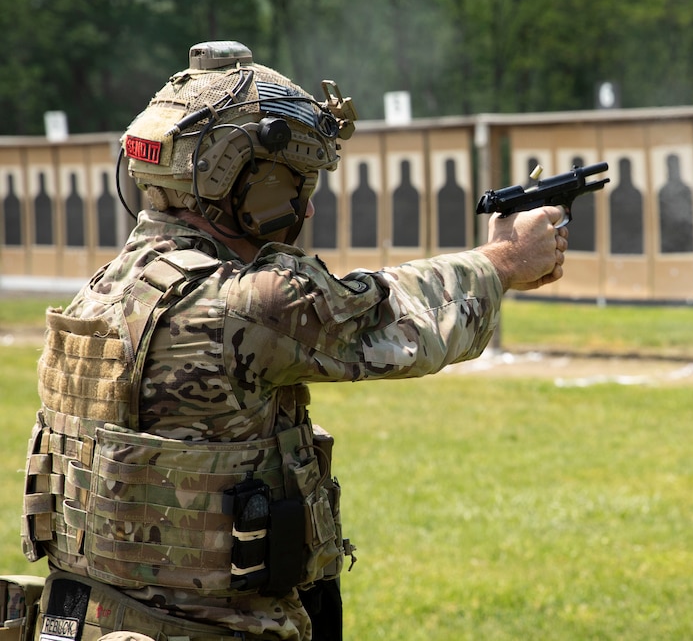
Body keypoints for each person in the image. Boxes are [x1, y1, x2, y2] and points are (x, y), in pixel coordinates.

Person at [21, 41, 568, 641]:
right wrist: (505, 260)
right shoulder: (248, 306)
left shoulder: (96, 296)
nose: (303, 212)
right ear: (243, 184)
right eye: (293, 184)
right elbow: (401, 318)